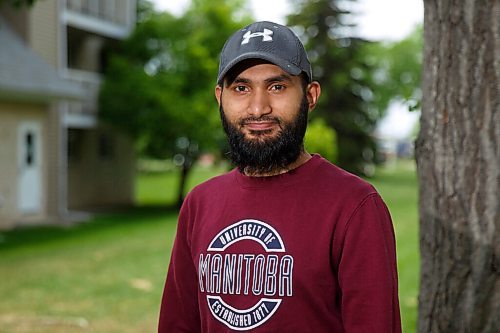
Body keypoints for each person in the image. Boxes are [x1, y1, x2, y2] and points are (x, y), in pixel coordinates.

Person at [158, 21, 401, 332]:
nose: (258, 108)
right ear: (220, 97)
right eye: (241, 88)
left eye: (277, 86)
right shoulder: (200, 203)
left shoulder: (354, 206)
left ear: (310, 96)